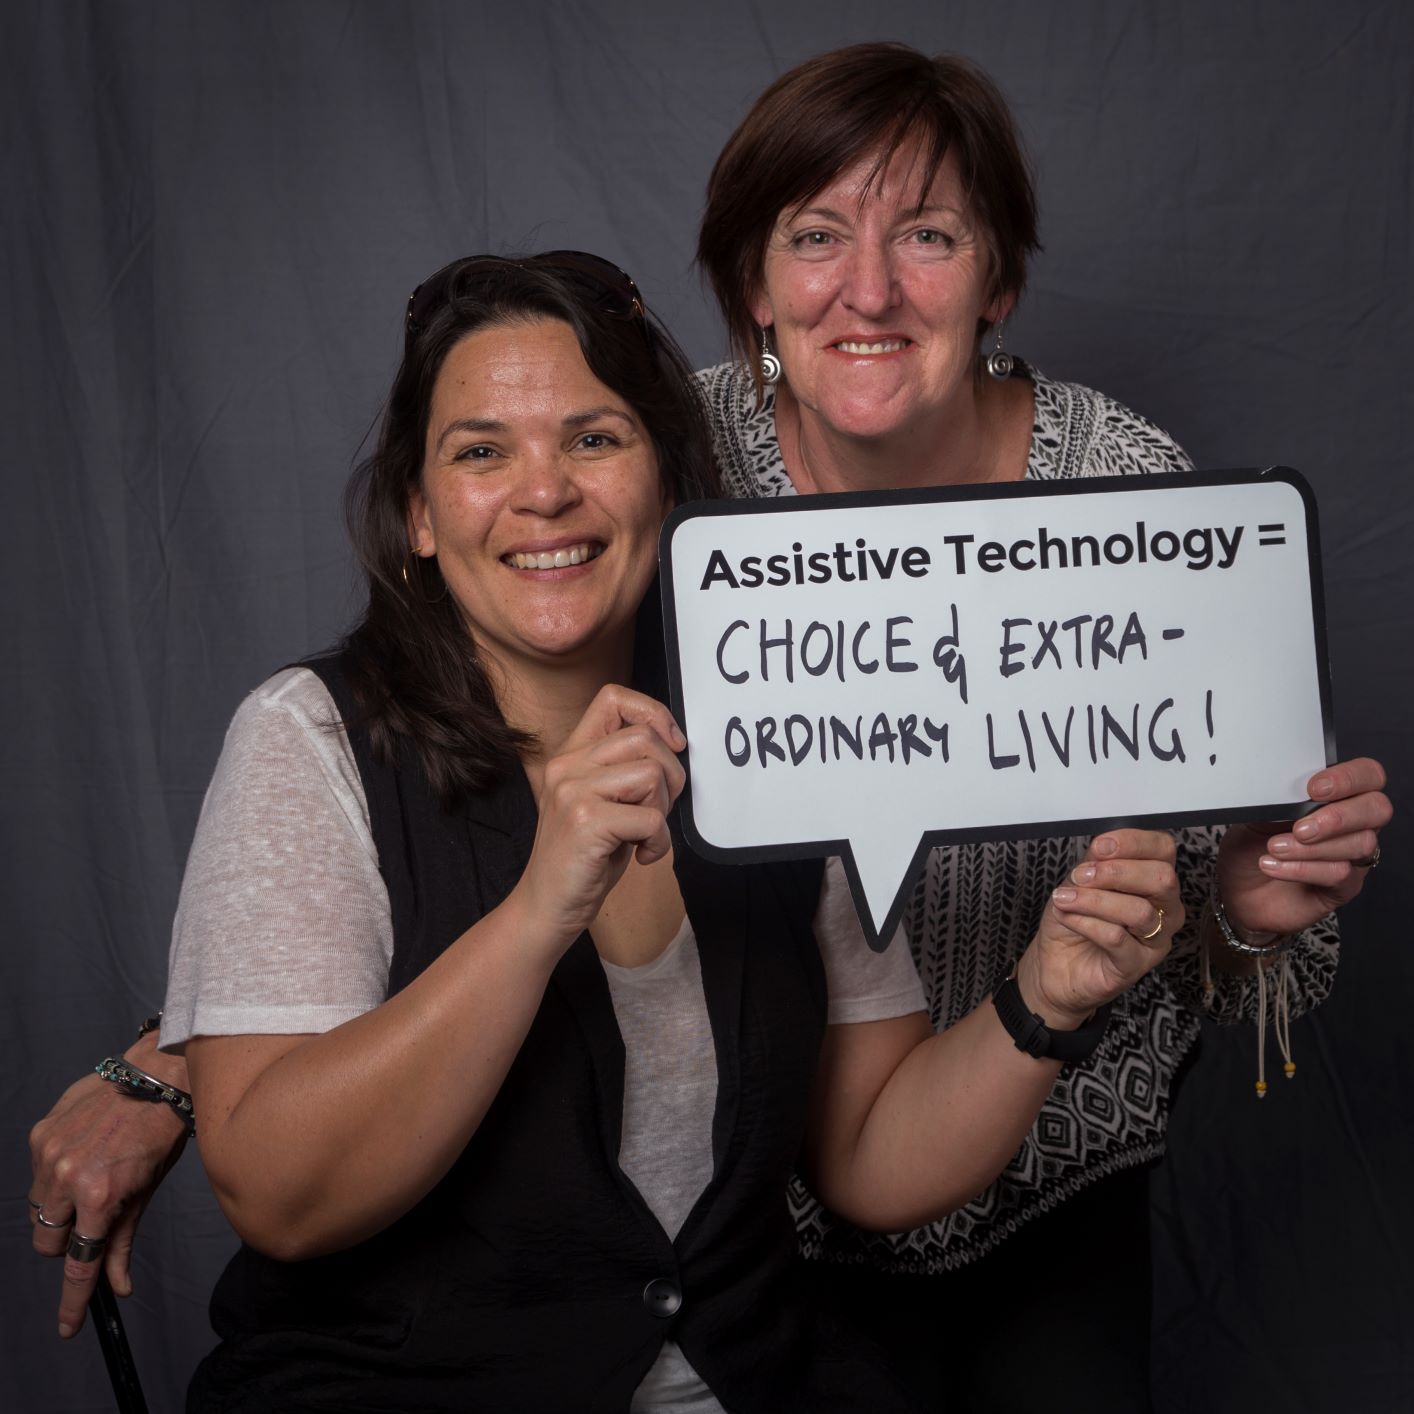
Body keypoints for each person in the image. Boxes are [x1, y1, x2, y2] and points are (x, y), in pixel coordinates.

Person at [32, 251, 1182, 1410]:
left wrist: (1046, 998)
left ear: (668, 486)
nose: (544, 493)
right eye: (481, 451)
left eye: (594, 438)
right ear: (420, 515)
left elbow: (870, 1155)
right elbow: (280, 1195)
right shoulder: (311, 740)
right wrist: (540, 911)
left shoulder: (773, 719)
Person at [691, 42, 1391, 1409]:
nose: (870, 289)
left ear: (999, 278)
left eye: (929, 236)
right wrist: (178, 1050)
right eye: (816, 236)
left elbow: (1256, 944)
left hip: (1055, 1179)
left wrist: (1248, 905)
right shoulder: (668, 469)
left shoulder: (1132, 491)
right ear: (751, 287)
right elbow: (472, 751)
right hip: (746, 1200)